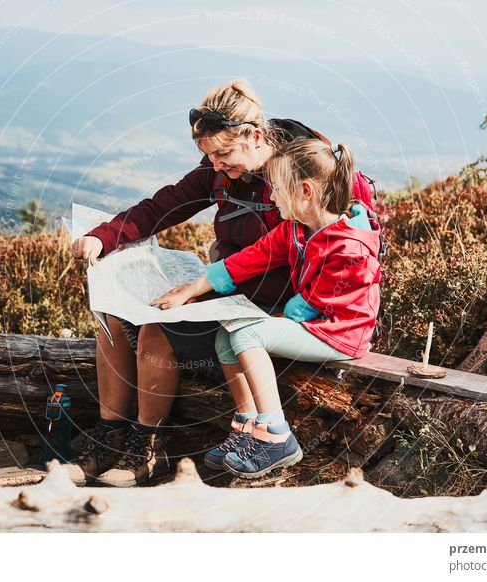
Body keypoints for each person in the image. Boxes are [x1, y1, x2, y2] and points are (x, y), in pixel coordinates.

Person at [69, 79, 330, 487]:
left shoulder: (304, 171)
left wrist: (203, 288)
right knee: (113, 315)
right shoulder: (220, 172)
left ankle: (145, 450)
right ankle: (108, 438)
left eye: (224, 153)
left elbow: (310, 248)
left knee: (157, 329)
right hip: (229, 293)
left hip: (280, 307)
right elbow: (163, 206)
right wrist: (102, 236)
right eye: (209, 156)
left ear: (256, 136)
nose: (217, 165)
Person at [150, 138, 382, 479]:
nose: (271, 198)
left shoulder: (352, 246)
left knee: (247, 331)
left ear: (304, 191)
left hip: (341, 334)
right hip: (316, 324)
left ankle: (276, 435)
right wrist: (194, 288)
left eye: (277, 189)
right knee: (226, 336)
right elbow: (250, 259)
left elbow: (319, 305)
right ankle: (247, 427)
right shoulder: (295, 229)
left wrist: (274, 319)